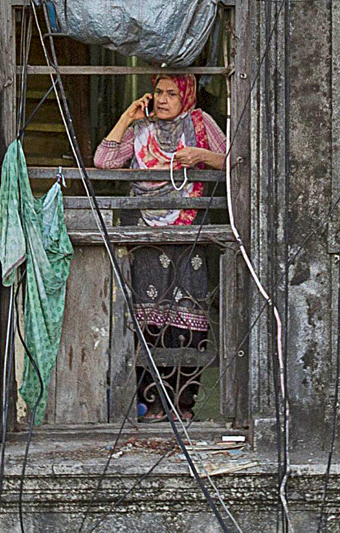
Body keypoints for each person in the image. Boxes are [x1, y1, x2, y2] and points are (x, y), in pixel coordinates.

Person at [94, 74, 228, 421]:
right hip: (147, 238)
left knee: (186, 319)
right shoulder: (141, 130)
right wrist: (128, 118)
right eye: (158, 92)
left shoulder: (201, 123)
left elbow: (236, 162)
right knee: (149, 318)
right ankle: (152, 405)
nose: (164, 99)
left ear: (186, 96)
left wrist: (203, 155)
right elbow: (104, 163)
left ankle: (182, 405)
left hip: (187, 236)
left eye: (172, 92)